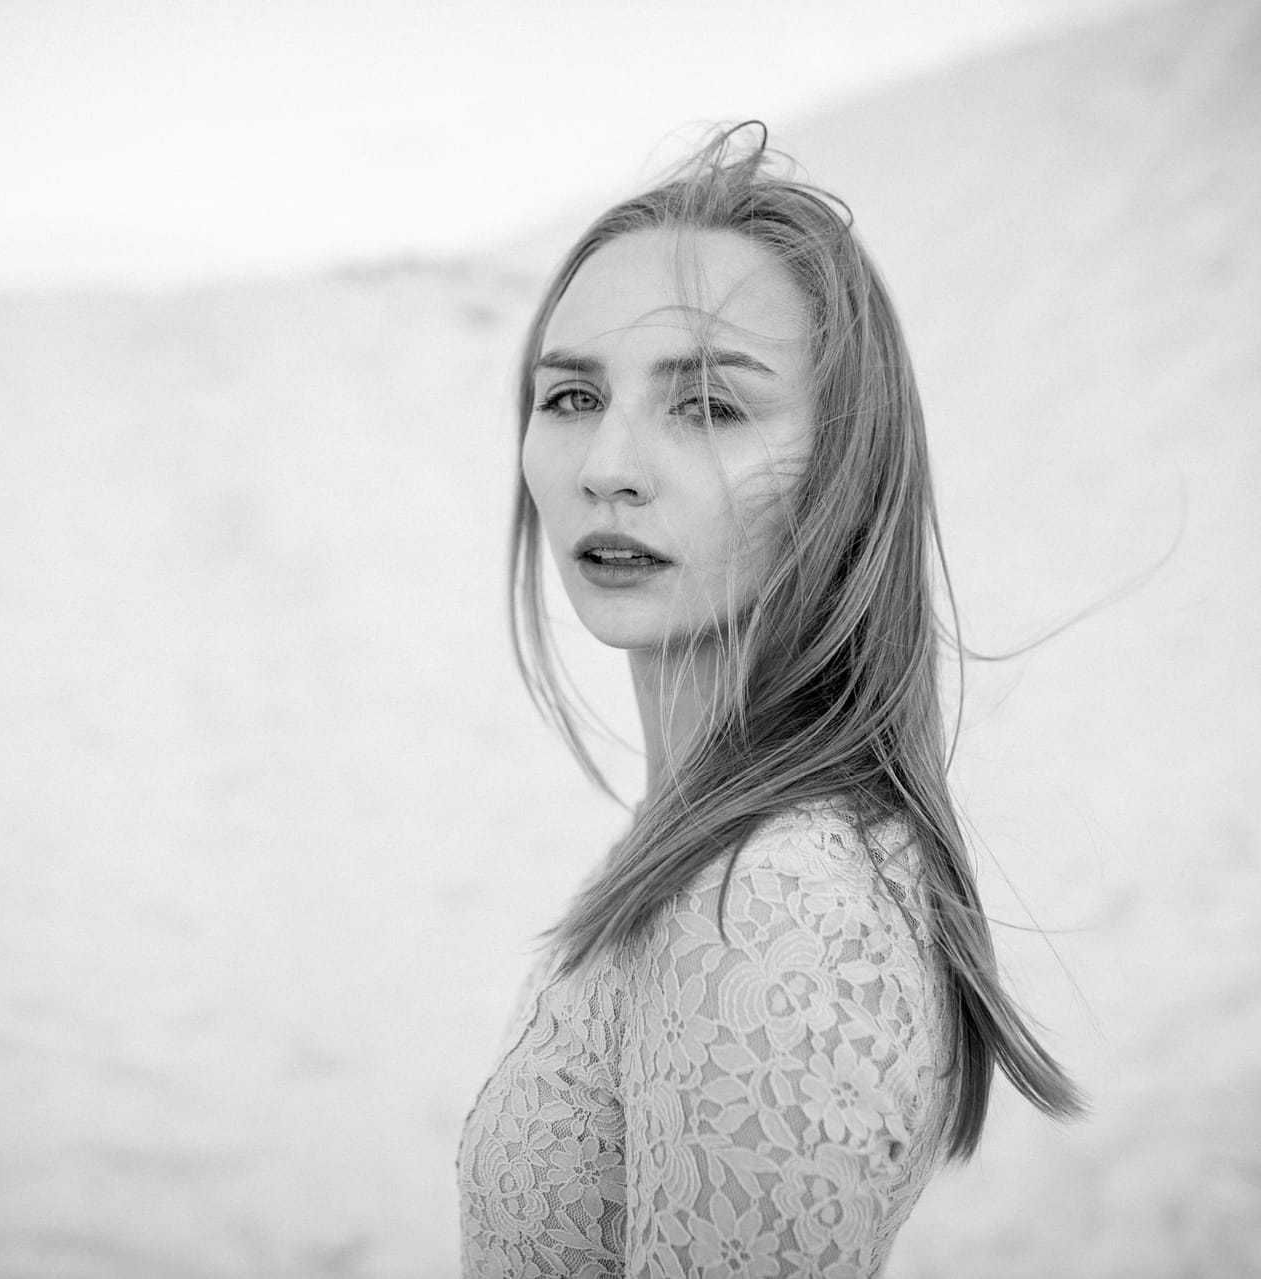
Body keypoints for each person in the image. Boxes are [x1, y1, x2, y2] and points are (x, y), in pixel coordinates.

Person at [457, 122, 1083, 1277]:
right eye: (571, 395)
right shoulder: (702, 849)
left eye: (708, 405)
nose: (608, 466)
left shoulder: (773, 902)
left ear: (844, 469)